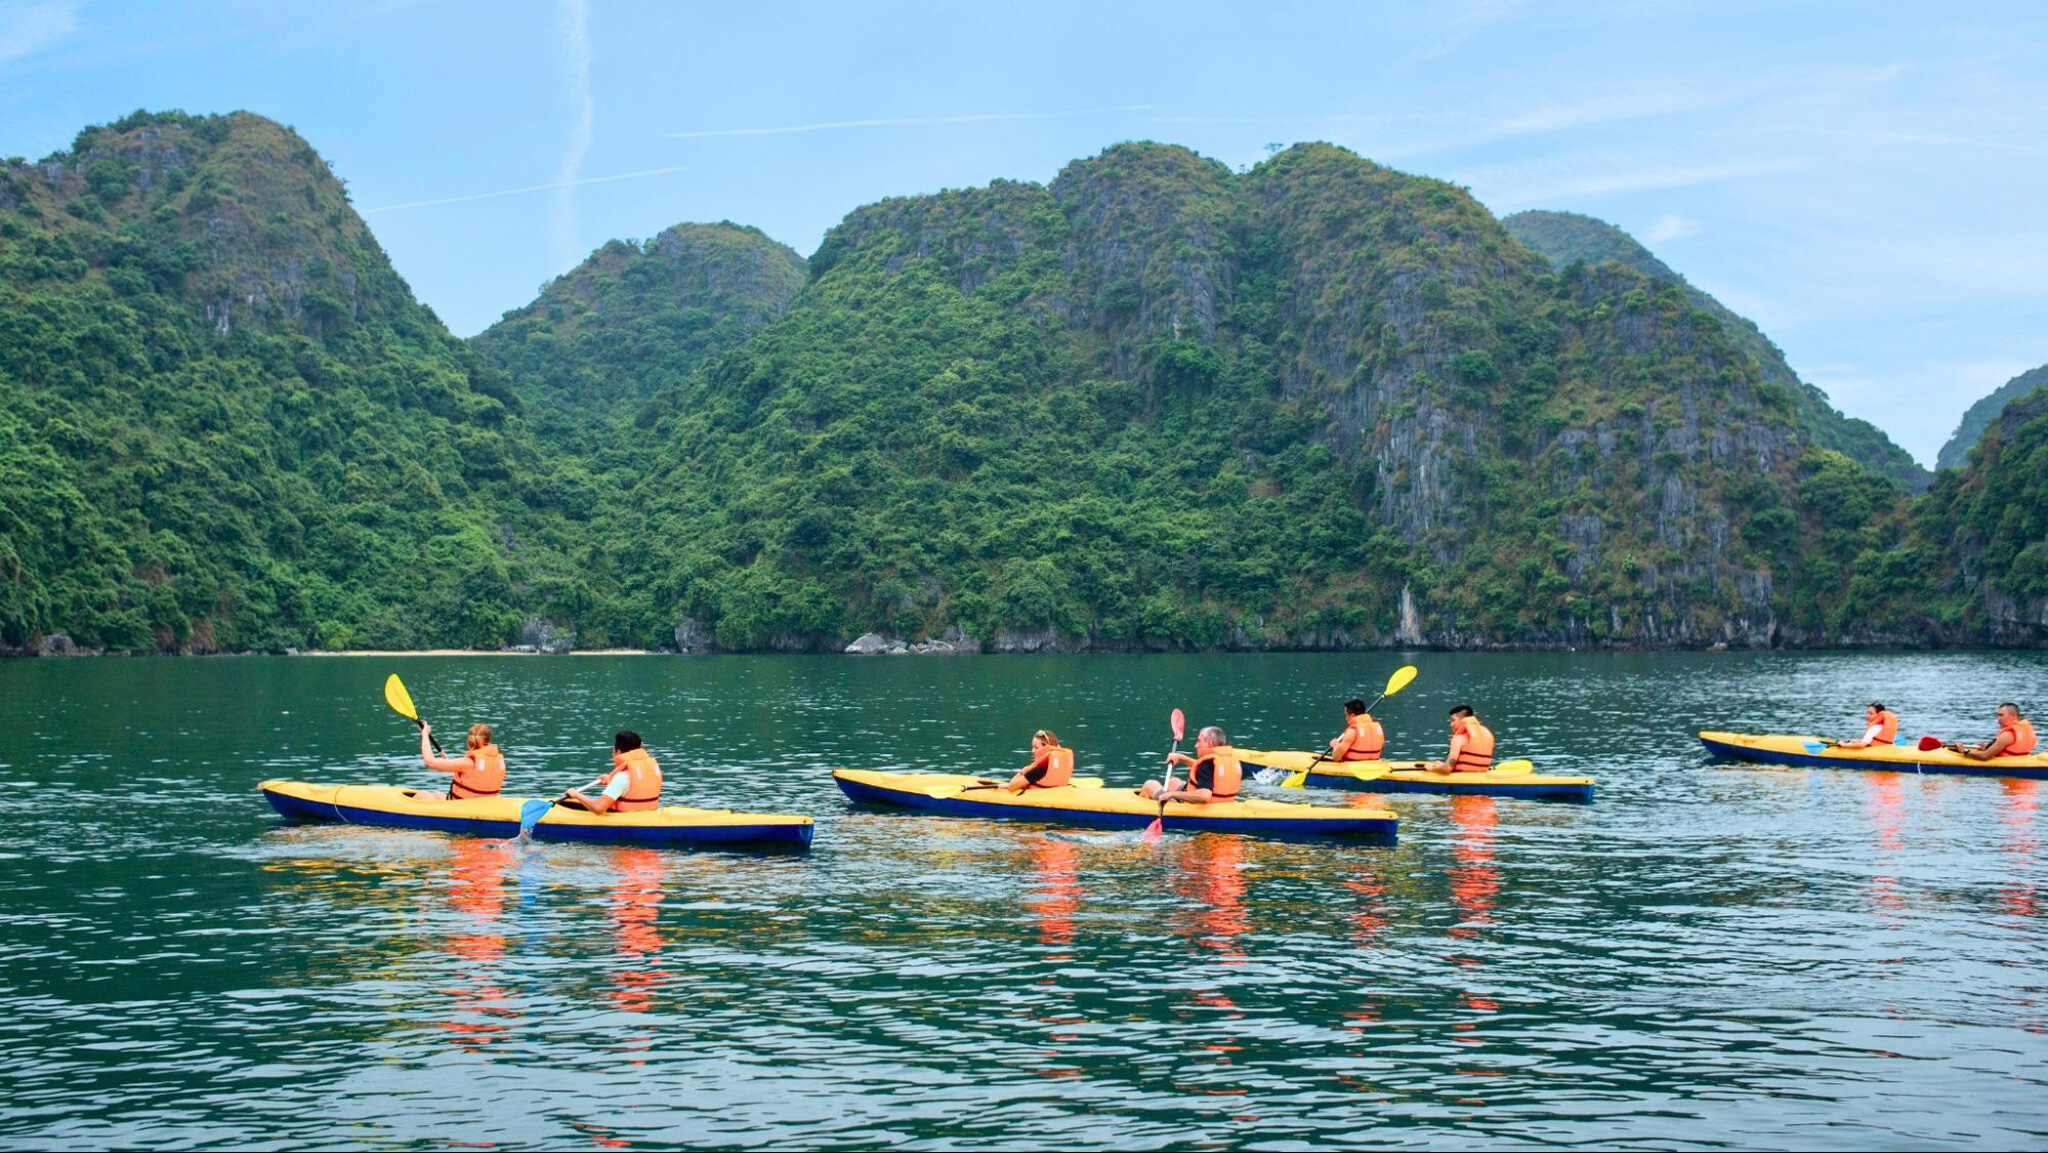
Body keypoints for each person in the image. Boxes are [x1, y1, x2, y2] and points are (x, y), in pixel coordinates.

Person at [561, 730, 663, 814]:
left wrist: (576, 794)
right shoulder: (653, 771)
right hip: (647, 815)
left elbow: (598, 808)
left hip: (625, 822)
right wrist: (610, 780)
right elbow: (633, 787)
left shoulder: (622, 777)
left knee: (570, 802)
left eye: (613, 752)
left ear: (618, 752)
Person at [1139, 726, 1242, 804]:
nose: (1196, 745)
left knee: (1150, 785)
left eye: (1199, 741)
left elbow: (1204, 795)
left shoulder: (1207, 763)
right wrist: (1181, 758)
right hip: (1224, 804)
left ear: (1209, 743)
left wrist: (1170, 794)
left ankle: (1145, 813)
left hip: (1200, 808)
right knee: (1173, 781)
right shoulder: (1229, 760)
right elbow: (1207, 772)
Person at [415, 722, 506, 801]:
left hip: (461, 807)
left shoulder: (467, 763)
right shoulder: (498, 762)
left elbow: (429, 762)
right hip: (484, 805)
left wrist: (425, 734)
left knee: (422, 794)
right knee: (437, 794)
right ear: (489, 741)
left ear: (469, 741)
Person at [1952, 703, 2038, 762]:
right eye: (1998, 715)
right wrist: (1989, 747)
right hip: (2022, 760)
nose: (1998, 718)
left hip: (2009, 768)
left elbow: (1984, 757)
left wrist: (1964, 751)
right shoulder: (2024, 729)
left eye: (2001, 715)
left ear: (2013, 716)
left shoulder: (2007, 735)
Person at [1424, 705, 1494, 775]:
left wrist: (1432, 769)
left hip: (1463, 776)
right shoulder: (1487, 733)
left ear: (1461, 720)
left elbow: (1447, 768)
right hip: (1481, 774)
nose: (1451, 724)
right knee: (1437, 764)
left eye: (1453, 720)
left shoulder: (1459, 738)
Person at [1002, 730, 1075, 791]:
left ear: (1046, 747)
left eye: (1036, 747)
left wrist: (1024, 770)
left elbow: (1012, 787)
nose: (1032, 751)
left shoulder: (1038, 769)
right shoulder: (1060, 759)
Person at [1328, 698, 1386, 762]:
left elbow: (1336, 757)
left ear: (1352, 715)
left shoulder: (1352, 731)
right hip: (1374, 765)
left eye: (1346, 715)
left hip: (1353, 766)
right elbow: (1382, 745)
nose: (1346, 718)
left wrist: (1335, 745)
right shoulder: (1378, 728)